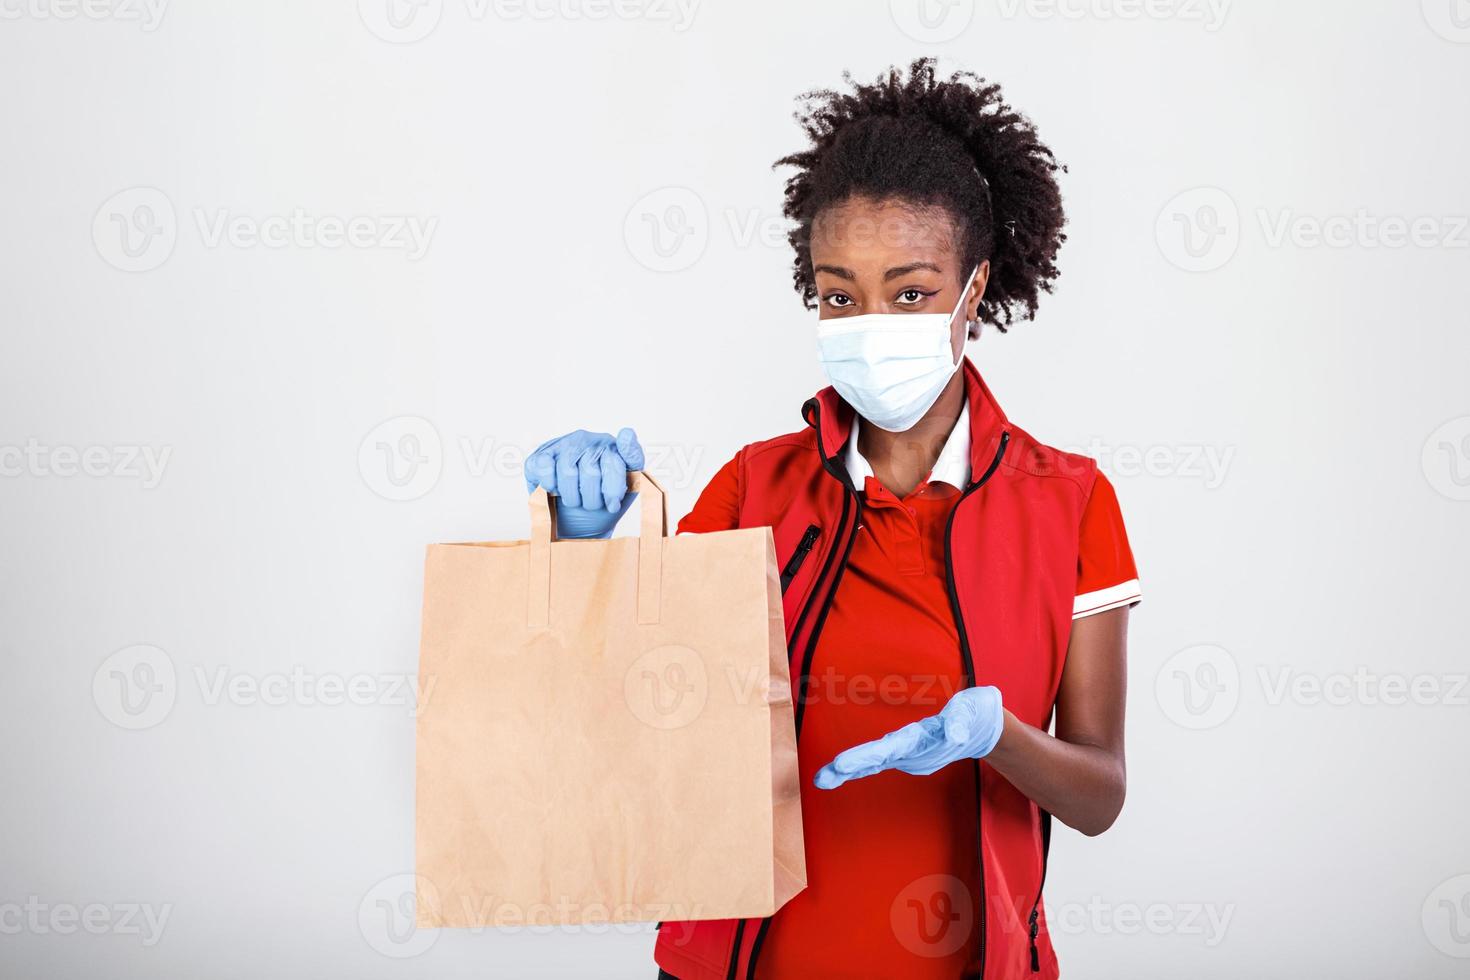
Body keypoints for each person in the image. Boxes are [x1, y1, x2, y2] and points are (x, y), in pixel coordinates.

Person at [524, 59, 1140, 980]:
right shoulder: (754, 487)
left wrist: (1000, 736)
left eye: (912, 291)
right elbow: (636, 702)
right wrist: (581, 547)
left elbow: (1099, 796)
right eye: (839, 294)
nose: (871, 320)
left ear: (975, 289)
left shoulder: (1071, 501)